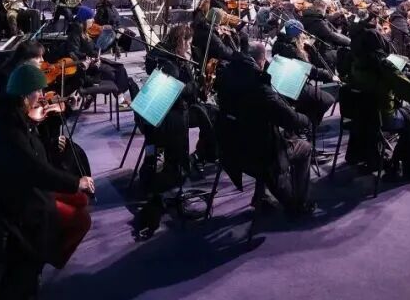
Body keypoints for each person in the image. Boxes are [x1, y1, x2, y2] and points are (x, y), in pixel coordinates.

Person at [0, 63, 95, 288]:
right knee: (82, 220)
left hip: (25, 183)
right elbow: (37, 170)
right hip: (20, 198)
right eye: (37, 90)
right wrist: (76, 181)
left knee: (81, 200)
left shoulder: (6, 113)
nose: (42, 95)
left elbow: (35, 155)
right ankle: (44, 256)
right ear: (22, 95)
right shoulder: (10, 131)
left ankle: (44, 247)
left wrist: (62, 113)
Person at [215, 40, 315, 216]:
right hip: (257, 153)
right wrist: (307, 120)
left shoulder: (226, 74)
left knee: (267, 132)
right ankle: (298, 203)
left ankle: (264, 196)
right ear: (261, 61)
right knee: (305, 147)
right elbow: (290, 119)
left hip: (230, 146)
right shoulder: (259, 85)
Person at [348, 6, 410, 179]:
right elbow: (408, 91)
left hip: (360, 114)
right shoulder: (382, 66)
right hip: (381, 115)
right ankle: (395, 163)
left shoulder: (354, 63)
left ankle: (375, 157)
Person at [140, 24, 218, 185]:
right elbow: (179, 91)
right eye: (188, 43)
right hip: (172, 116)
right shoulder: (170, 64)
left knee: (208, 112)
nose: (189, 47)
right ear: (181, 41)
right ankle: (201, 155)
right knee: (214, 115)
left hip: (152, 116)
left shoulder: (159, 54)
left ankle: (200, 154)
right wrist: (197, 84)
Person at [271, 20, 337, 125]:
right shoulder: (291, 49)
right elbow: (309, 70)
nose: (304, 36)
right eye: (302, 33)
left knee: (312, 98)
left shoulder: (280, 43)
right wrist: (330, 76)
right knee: (327, 99)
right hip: (291, 86)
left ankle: (302, 122)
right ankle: (307, 125)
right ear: (298, 35)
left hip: (283, 84)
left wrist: (308, 48)